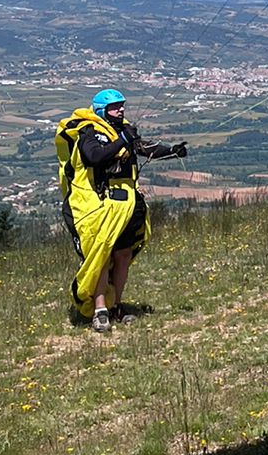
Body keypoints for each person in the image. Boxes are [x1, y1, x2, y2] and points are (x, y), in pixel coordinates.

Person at [55, 89, 186, 333]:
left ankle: (116, 305)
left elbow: (142, 148)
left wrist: (171, 151)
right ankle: (100, 310)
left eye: (122, 105)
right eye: (115, 107)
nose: (121, 110)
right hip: (100, 205)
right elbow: (94, 157)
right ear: (102, 110)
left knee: (123, 254)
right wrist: (123, 140)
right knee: (102, 256)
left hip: (127, 203)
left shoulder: (123, 130)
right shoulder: (89, 131)